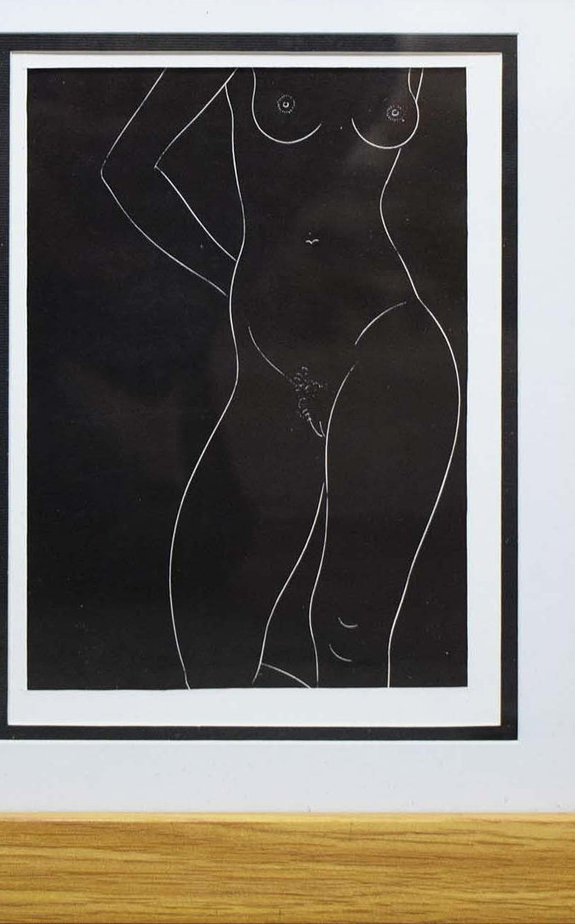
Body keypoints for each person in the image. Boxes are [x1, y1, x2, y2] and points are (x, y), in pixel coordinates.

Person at [101, 66, 460, 689]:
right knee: (227, 611)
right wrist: (235, 279)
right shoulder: (232, 37)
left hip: (392, 317)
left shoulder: (405, 53)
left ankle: (355, 742)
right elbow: (129, 167)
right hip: (276, 336)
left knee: (356, 627)